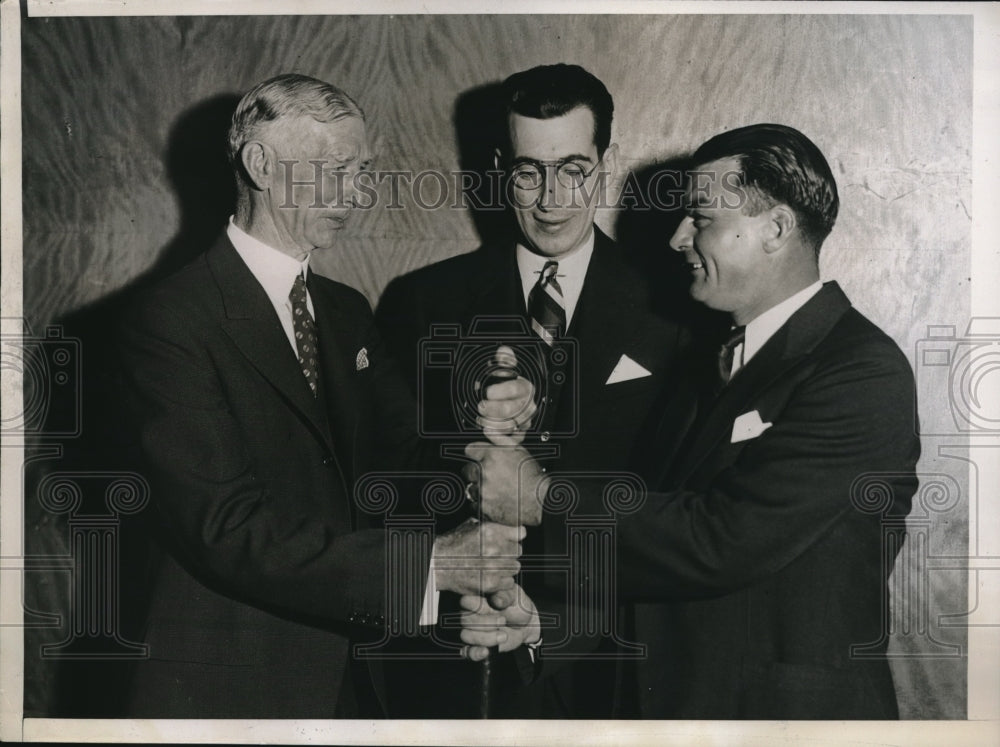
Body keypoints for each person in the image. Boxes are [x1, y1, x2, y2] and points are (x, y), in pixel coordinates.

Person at [462, 123, 921, 719]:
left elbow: (723, 541)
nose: (679, 237)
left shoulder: (861, 371)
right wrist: (546, 627)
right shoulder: (707, 361)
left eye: (700, 218)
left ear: (776, 230)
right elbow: (661, 547)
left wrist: (543, 496)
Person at [117, 73, 532, 719]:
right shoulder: (171, 319)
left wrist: (477, 451)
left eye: (361, 170)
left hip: (352, 676)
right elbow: (228, 529)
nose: (355, 192)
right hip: (228, 689)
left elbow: (403, 455)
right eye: (333, 170)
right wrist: (427, 567)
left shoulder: (343, 310)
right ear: (259, 164)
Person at [375, 63, 692, 718]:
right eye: (529, 171)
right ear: (499, 167)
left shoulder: (678, 309)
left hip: (618, 667)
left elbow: (683, 508)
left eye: (574, 169)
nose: (551, 199)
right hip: (461, 665)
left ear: (604, 163)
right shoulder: (420, 303)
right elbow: (382, 489)